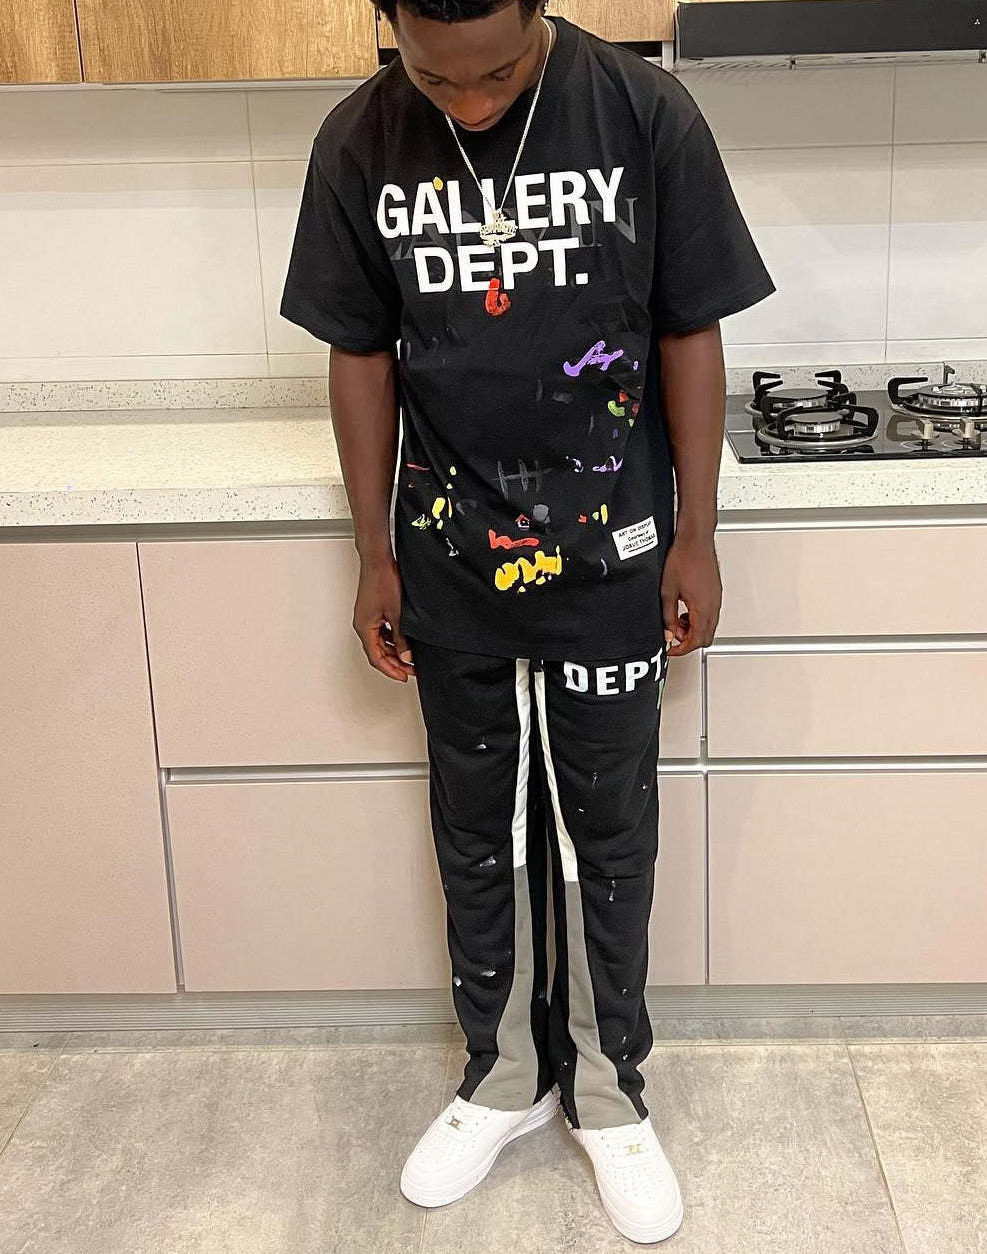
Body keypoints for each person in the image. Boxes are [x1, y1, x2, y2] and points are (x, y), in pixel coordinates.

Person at [279, 0, 773, 1241]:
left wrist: (699, 532)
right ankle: (503, 1077)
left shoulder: (645, 115)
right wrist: (372, 551)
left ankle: (608, 1094)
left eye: (498, 72)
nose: (474, 100)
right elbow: (358, 352)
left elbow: (689, 328)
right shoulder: (359, 141)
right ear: (389, 31)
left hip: (613, 560)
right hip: (449, 566)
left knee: (605, 830)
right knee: (478, 832)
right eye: (437, 78)